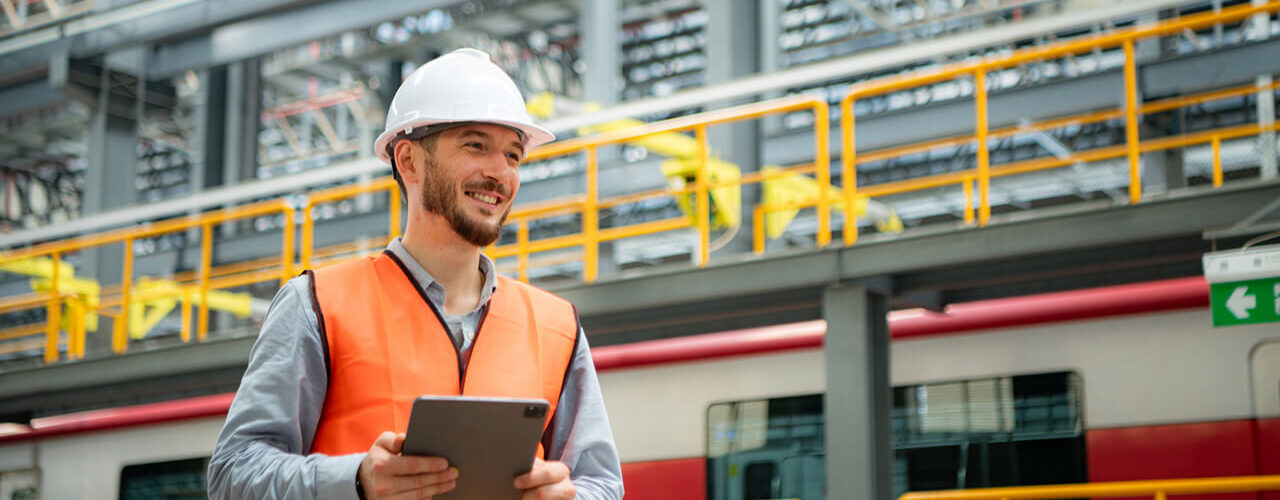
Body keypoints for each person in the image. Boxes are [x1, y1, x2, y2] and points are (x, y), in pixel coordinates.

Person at [208, 48, 624, 500]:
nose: (500, 172)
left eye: (513, 155)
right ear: (408, 160)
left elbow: (601, 483)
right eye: (475, 145)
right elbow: (233, 474)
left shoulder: (556, 326)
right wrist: (356, 481)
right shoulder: (318, 305)